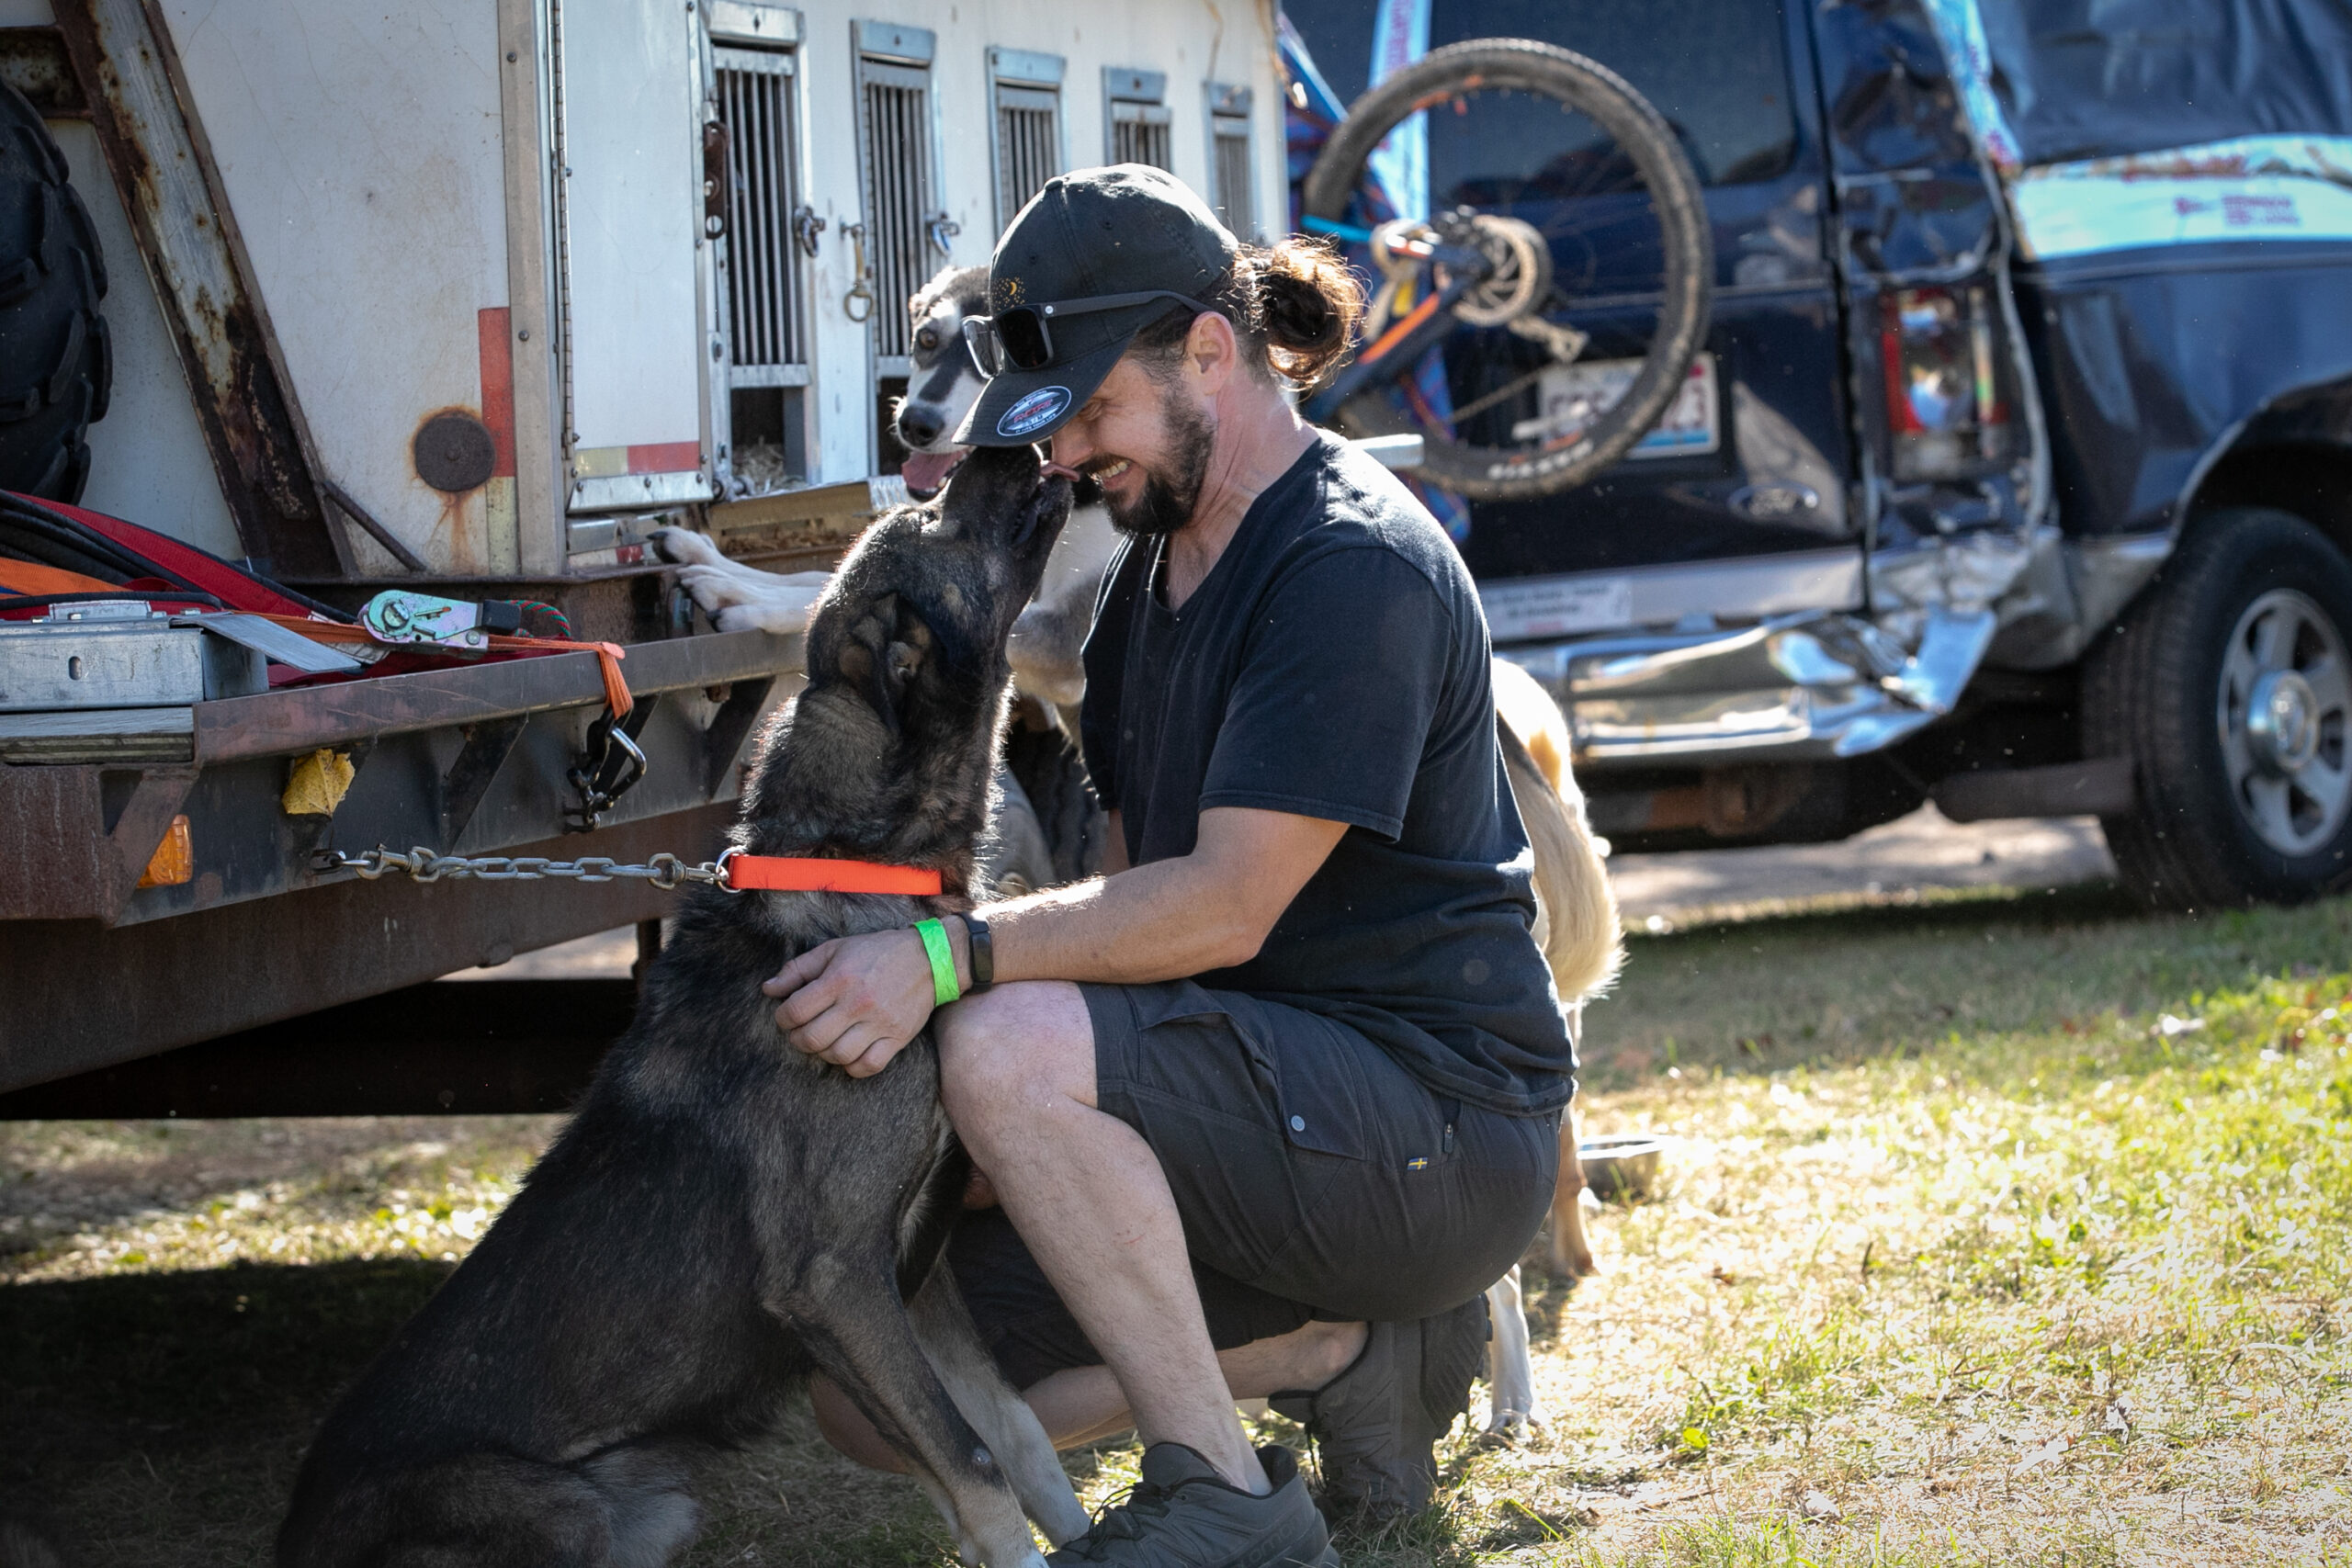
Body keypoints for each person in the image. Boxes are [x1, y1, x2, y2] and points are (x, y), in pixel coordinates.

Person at [763, 164, 1572, 1567]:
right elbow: (1132, 921)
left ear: (1209, 347)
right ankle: (1338, 1354)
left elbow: (1218, 905)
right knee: (868, 1397)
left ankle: (1226, 1505)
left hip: (1441, 1132)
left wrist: (947, 959)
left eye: (1091, 412)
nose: (1068, 459)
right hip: (1264, 1121)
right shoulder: (1147, 587)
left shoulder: (1347, 564)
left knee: (1006, 1040)